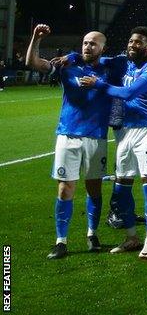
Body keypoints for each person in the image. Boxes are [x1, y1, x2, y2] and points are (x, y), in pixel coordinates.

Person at [25, 25, 114, 259]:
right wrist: (36, 38)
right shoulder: (68, 66)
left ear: (103, 48)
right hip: (68, 135)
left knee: (94, 187)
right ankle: (61, 241)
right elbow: (34, 63)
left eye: (93, 43)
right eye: (85, 42)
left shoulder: (110, 68)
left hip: (97, 137)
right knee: (66, 188)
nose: (88, 46)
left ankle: (92, 234)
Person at [82, 26, 147, 259]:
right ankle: (131, 237)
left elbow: (130, 93)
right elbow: (95, 56)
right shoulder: (123, 63)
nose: (132, 44)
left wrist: (98, 84)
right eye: (130, 41)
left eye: (138, 42)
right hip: (125, 133)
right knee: (120, 189)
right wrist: (71, 57)